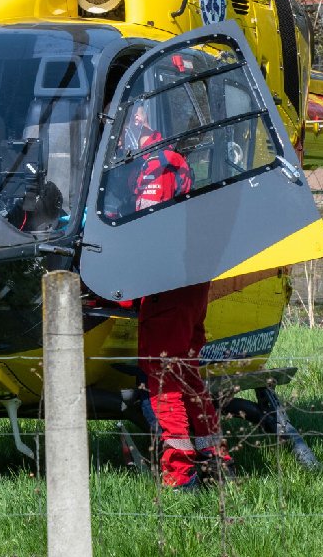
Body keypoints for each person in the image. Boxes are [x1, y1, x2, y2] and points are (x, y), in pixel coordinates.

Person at [125, 101, 233, 492]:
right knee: (186, 373)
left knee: (164, 375)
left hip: (167, 284)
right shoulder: (164, 161)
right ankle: (213, 458)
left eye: (135, 113)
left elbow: (149, 234)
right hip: (188, 282)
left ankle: (180, 471)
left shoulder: (159, 165)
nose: (131, 121)